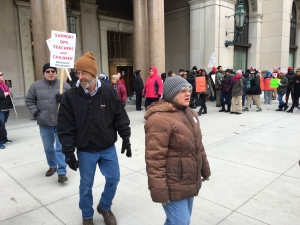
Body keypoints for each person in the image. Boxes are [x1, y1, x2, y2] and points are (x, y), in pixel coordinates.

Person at [57, 51, 131, 225]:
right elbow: (65, 127)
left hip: (107, 147)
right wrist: (68, 152)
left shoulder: (108, 91)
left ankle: (104, 206)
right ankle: (87, 215)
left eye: (84, 73)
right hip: (85, 150)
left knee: (114, 178)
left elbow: (119, 115)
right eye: (78, 73)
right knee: (86, 186)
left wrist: (125, 136)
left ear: (93, 73)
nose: (80, 76)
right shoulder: (71, 96)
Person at [144, 76, 211, 225]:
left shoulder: (190, 113)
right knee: (180, 221)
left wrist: (205, 169)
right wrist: (160, 191)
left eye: (189, 90)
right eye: (182, 91)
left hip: (188, 179)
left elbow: (198, 146)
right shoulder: (159, 119)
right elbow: (155, 160)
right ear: (171, 94)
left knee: (181, 221)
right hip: (172, 183)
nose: (188, 93)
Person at [26, 63, 70, 182]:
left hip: (61, 123)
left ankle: (62, 171)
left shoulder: (64, 86)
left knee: (60, 148)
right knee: (48, 148)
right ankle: (52, 166)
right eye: (48, 71)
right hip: (44, 123)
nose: (51, 73)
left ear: (56, 73)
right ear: (44, 73)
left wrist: (64, 100)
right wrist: (36, 113)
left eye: (53, 71)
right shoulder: (35, 86)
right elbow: (29, 100)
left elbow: (73, 102)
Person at [0, 71, 13, 149]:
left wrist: (9, 93)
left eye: (2, 74)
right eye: (0, 75)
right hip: (0, 108)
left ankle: (4, 138)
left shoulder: (4, 84)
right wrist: (5, 94)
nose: (1, 76)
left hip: (6, 107)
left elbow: (9, 92)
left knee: (3, 124)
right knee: (0, 125)